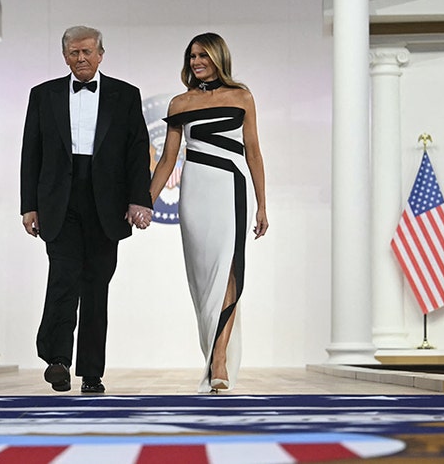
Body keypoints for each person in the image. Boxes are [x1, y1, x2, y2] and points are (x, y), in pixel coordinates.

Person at [20, 25, 153, 394]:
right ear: (65, 56)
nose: (81, 59)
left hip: (105, 203)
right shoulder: (43, 95)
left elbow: (136, 151)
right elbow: (31, 152)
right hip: (59, 200)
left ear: (100, 54)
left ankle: (92, 373)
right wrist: (28, 205)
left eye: (87, 52)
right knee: (63, 278)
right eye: (74, 53)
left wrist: (139, 198)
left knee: (96, 286)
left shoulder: (125, 95)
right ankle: (58, 360)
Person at [149, 32, 268, 393]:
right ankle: (214, 353)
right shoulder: (179, 103)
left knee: (228, 269)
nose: (196, 62)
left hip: (232, 189)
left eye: (203, 55)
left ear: (218, 57)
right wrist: (145, 201)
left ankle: (219, 361)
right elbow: (169, 159)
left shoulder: (241, 96)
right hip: (195, 192)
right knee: (203, 280)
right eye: (191, 57)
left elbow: (253, 152)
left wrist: (263, 204)